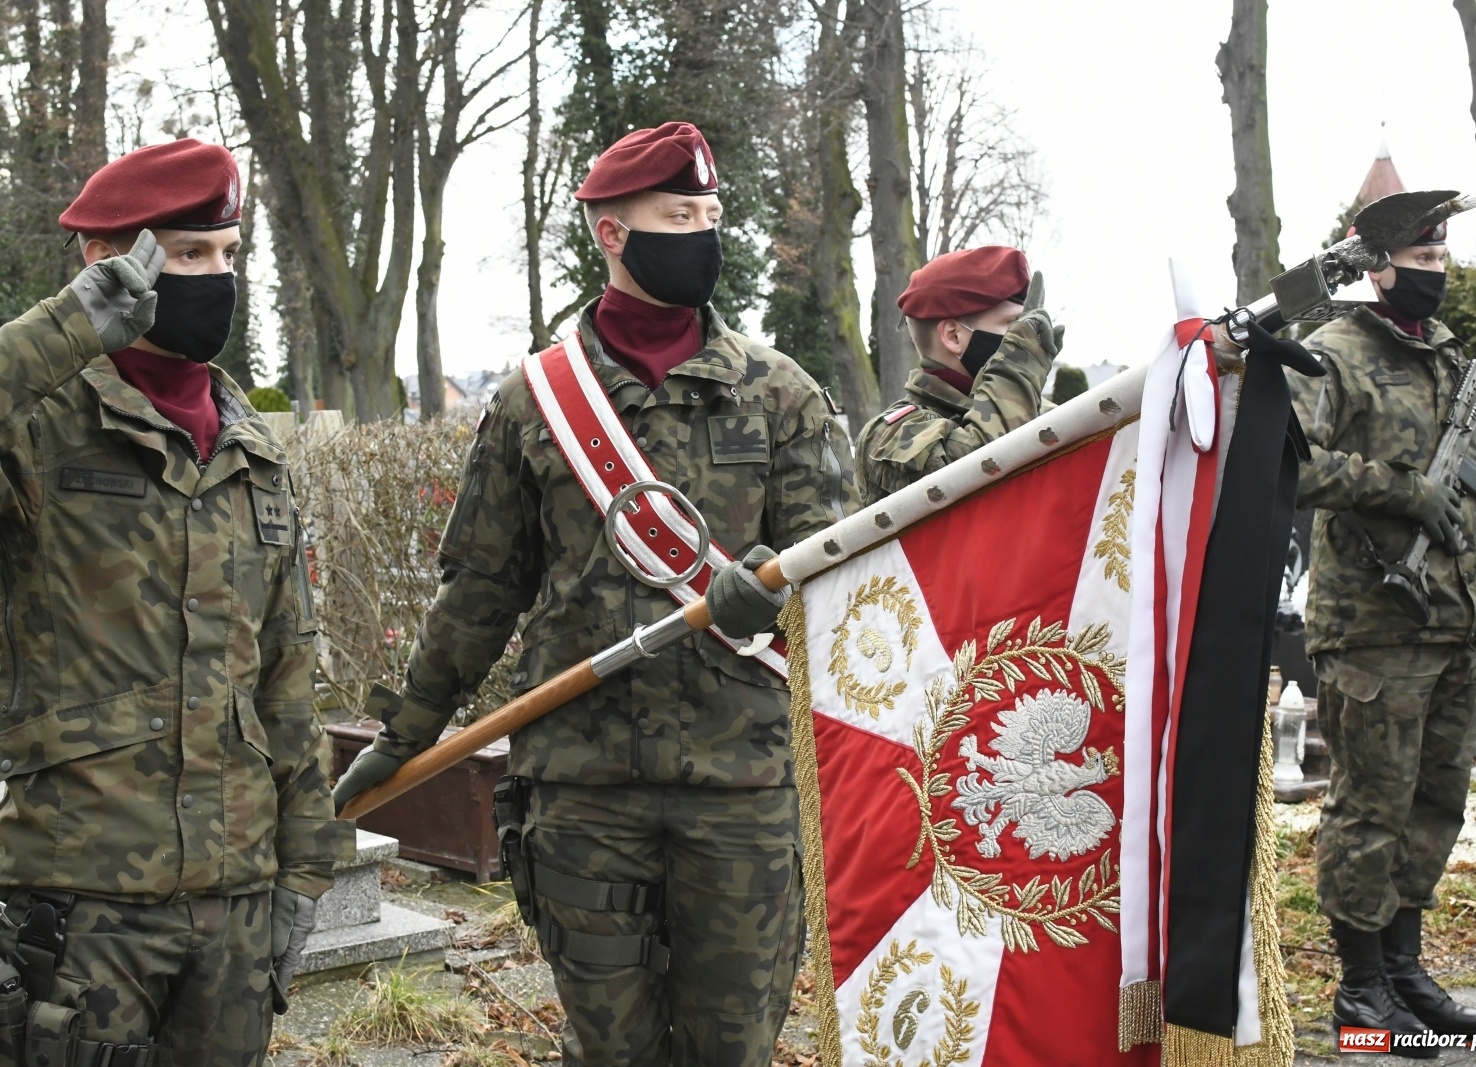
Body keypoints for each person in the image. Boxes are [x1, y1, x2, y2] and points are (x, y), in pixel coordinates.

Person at [331, 121, 857, 1065]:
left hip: (739, 787)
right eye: (676, 215)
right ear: (612, 234)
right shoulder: (537, 402)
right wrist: (405, 732)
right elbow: (479, 591)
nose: (701, 233)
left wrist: (774, 595)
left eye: (709, 214)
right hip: (581, 790)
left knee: (731, 1045)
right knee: (607, 1050)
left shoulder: (783, 396)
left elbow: (847, 574)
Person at [0, 139, 352, 1066]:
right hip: (86, 903)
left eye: (228, 253)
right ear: (105, 260)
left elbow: (287, 680)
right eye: (188, 255)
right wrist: (64, 328)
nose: (216, 277)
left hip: (235, 904)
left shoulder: (252, 449)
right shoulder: (38, 424)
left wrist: (305, 873)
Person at [1290, 217, 1476, 1050]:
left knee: (1434, 804)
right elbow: (1286, 461)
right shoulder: (1332, 349)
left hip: (1455, 618)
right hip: (1372, 623)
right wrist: (1401, 492)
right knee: (1369, 809)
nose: (1436, 272)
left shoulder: (1446, 350)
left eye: (1442, 257)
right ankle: (1361, 986)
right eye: (1420, 259)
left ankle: (1407, 971)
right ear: (1377, 270)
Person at [855, 245, 1063, 505]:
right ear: (954, 336)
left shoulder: (1038, 412)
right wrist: (1020, 362)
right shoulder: (888, 435)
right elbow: (984, 472)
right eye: (1014, 325)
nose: (1029, 338)